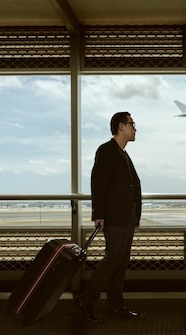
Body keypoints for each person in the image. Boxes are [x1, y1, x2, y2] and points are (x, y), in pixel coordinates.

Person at [74, 112, 144, 323]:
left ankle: (116, 305)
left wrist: (136, 218)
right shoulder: (106, 150)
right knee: (113, 259)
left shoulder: (122, 153)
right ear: (121, 126)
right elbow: (98, 183)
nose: (135, 128)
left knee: (121, 263)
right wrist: (99, 214)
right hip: (114, 217)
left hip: (127, 218)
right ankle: (85, 300)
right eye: (132, 124)